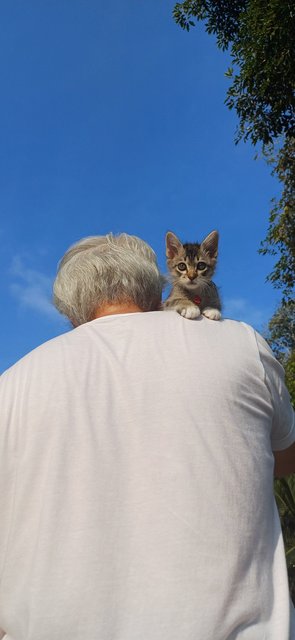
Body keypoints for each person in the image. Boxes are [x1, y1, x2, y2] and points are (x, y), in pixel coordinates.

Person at [0, 232, 294, 640]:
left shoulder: (10, 387)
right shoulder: (241, 343)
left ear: (70, 313)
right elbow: (285, 459)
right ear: (158, 291)